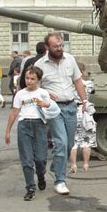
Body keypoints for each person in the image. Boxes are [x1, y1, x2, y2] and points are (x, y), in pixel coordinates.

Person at [35, 32, 88, 196]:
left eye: (61, 46)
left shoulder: (70, 59)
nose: (59, 49)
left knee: (69, 142)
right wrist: (44, 92)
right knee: (61, 142)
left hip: (71, 106)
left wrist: (84, 100)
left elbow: (77, 80)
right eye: (55, 47)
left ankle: (55, 166)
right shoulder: (40, 65)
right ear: (47, 47)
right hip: (53, 109)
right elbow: (31, 86)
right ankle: (60, 181)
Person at [4, 67, 57, 201]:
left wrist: (45, 104)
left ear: (38, 80)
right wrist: (8, 131)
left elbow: (53, 110)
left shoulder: (43, 93)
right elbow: (14, 112)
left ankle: (40, 175)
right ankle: (30, 188)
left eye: (32, 79)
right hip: (24, 126)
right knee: (26, 160)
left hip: (39, 125)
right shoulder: (20, 94)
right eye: (27, 78)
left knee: (40, 158)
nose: (29, 81)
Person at [69, 61, 96, 174]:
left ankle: (74, 165)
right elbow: (92, 92)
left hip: (72, 111)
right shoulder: (88, 84)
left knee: (73, 142)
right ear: (83, 72)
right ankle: (85, 164)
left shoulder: (69, 85)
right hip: (85, 112)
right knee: (86, 140)